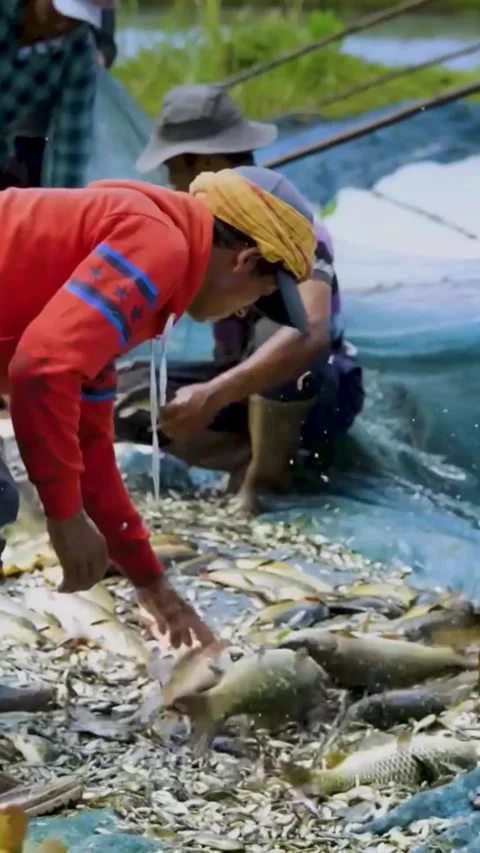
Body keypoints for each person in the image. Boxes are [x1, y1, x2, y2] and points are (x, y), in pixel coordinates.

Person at [0, 164, 317, 649]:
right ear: (246, 261)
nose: (240, 313)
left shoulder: (144, 253)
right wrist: (64, 518)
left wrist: (153, 584)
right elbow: (42, 370)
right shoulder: (158, 246)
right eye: (260, 297)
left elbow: (89, 441)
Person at [121, 84, 364, 513]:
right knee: (121, 396)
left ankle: (263, 485)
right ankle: (250, 455)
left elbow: (311, 334)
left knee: (285, 333)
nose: (171, 183)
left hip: (315, 393)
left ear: (206, 163)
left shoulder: (288, 224)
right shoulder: (200, 227)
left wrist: (213, 395)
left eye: (175, 169)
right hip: (238, 384)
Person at [0, 0, 113, 191]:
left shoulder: (79, 52)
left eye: (76, 18)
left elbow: (70, 149)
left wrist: (63, 212)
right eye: (59, 10)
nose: (63, 23)